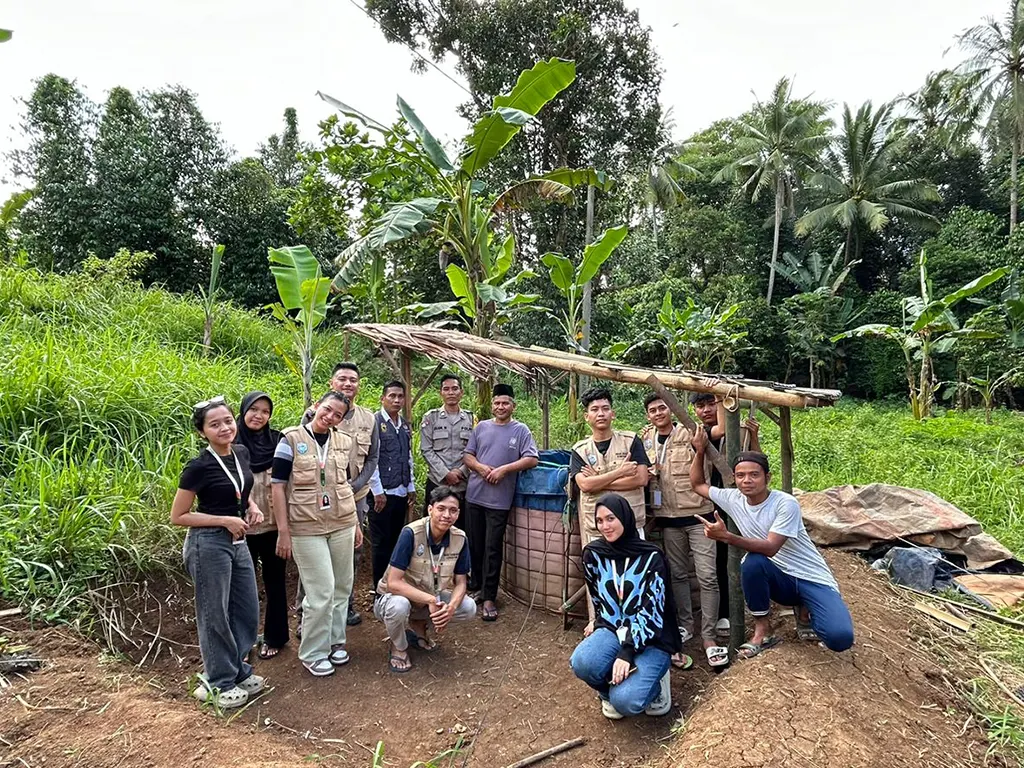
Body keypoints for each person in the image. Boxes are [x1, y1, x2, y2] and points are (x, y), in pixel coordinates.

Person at [689, 432, 855, 658]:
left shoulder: (785, 504)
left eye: (754, 475)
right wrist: (700, 451)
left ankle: (806, 607)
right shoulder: (733, 499)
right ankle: (762, 631)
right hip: (779, 580)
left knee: (840, 638)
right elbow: (698, 484)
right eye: (740, 476)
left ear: (768, 477)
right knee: (753, 563)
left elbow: (771, 547)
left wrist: (726, 536)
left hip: (810, 577)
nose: (746, 480)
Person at [171, 395, 265, 708]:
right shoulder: (199, 466)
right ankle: (218, 681)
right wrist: (224, 519)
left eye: (227, 421)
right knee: (214, 614)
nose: (224, 428)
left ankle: (236, 670)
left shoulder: (240, 452)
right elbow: (179, 516)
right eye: (215, 425)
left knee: (247, 609)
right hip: (208, 543)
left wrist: (251, 507)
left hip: (238, 541)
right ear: (202, 432)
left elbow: (241, 488)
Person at [272, 391, 362, 677]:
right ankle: (313, 651)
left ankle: (335, 641)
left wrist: (357, 523)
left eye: (338, 415)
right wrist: (283, 532)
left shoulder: (344, 442)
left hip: (342, 523)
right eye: (327, 410)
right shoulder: (290, 439)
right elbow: (277, 487)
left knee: (341, 587)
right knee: (321, 590)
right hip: (305, 527)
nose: (330, 417)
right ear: (316, 406)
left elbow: (344, 484)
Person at [570, 494, 680, 720]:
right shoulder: (594, 555)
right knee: (582, 662)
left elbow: (652, 612)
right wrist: (597, 621)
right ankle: (607, 692)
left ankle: (655, 686)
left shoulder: (651, 557)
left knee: (627, 702)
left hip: (652, 637)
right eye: (600, 521)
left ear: (625, 517)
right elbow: (597, 597)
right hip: (613, 628)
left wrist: (627, 652)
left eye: (611, 518)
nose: (605, 526)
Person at [640, 393, 727, 669]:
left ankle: (709, 635)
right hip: (667, 519)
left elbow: (722, 429)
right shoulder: (644, 440)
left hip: (698, 516)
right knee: (677, 575)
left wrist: (723, 397)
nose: (658, 413)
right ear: (648, 415)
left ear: (672, 410)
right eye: (652, 410)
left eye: (662, 407)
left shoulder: (692, 432)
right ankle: (686, 626)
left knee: (708, 576)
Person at [569, 387, 650, 634]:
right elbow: (584, 484)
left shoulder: (631, 441)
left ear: (613, 413)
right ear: (587, 416)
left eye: (605, 408)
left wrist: (601, 480)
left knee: (636, 574)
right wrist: (619, 473)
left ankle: (637, 622)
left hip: (631, 525)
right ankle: (600, 622)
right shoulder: (580, 450)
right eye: (594, 409)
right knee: (599, 575)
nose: (600, 413)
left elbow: (641, 479)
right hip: (597, 528)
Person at [374, 486, 477, 673]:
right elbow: (393, 583)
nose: (447, 515)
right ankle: (399, 645)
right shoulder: (411, 533)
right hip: (393, 598)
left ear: (458, 514)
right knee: (398, 606)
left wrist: (450, 608)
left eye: (453, 510)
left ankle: (418, 624)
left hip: (430, 598)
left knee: (468, 608)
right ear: (430, 509)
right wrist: (431, 600)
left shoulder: (460, 539)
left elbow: (461, 582)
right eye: (441, 509)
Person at [307, 362, 379, 627]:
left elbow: (372, 458)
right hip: (321, 499)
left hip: (355, 497)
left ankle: (344, 607)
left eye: (353, 380)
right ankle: (310, 613)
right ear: (331, 383)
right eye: (342, 379)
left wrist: (354, 485)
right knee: (317, 553)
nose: (348, 384)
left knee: (353, 551)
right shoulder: (315, 414)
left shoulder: (369, 418)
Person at [462, 384, 539, 622]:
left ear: (513, 406)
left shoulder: (521, 430)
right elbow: (468, 455)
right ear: (492, 405)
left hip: (500, 500)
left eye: (505, 403)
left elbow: (532, 458)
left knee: (493, 547)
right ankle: (477, 587)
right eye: (497, 403)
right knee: (474, 544)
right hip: (474, 495)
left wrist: (505, 469)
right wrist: (481, 467)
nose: (500, 407)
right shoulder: (481, 427)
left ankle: (489, 597)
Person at [691, 390, 760, 639]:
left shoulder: (738, 430)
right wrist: (722, 396)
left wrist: (753, 436)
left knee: (747, 556)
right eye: (701, 405)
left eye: (711, 403)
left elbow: (758, 460)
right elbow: (719, 429)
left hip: (740, 501)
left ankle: (751, 607)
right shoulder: (699, 432)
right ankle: (726, 613)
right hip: (712, 502)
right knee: (720, 560)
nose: (707, 409)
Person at [235, 391, 288, 660]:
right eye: (254, 409)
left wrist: (286, 529)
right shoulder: (230, 443)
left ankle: (275, 636)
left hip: (273, 526)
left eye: (265, 411)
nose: (259, 415)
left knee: (275, 583)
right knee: (242, 587)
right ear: (243, 410)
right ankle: (242, 643)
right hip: (239, 528)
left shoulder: (278, 441)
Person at [368, 380, 416, 587]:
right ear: (383, 398)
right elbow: (371, 459)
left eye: (400, 397)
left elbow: (408, 457)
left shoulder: (404, 425)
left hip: (401, 491)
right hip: (381, 493)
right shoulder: (374, 422)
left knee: (397, 540)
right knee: (381, 543)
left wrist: (411, 486)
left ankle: (394, 583)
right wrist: (377, 491)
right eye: (392, 396)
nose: (396, 400)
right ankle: (379, 589)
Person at [419, 373, 474, 527]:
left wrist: (461, 472)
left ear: (461, 392)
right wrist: (446, 474)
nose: (451, 392)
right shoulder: (431, 418)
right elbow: (426, 450)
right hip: (437, 482)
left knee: (460, 527)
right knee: (433, 527)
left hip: (462, 485)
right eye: (446, 389)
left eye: (455, 388)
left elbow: (475, 451)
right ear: (441, 392)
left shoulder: (471, 419)